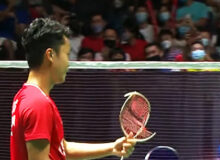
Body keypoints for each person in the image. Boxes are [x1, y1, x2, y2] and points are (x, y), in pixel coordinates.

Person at [10, 18, 136, 160]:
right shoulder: (38, 103)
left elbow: (61, 148)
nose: (68, 63)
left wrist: (112, 148)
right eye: (67, 54)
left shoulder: (24, 95)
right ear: (50, 55)